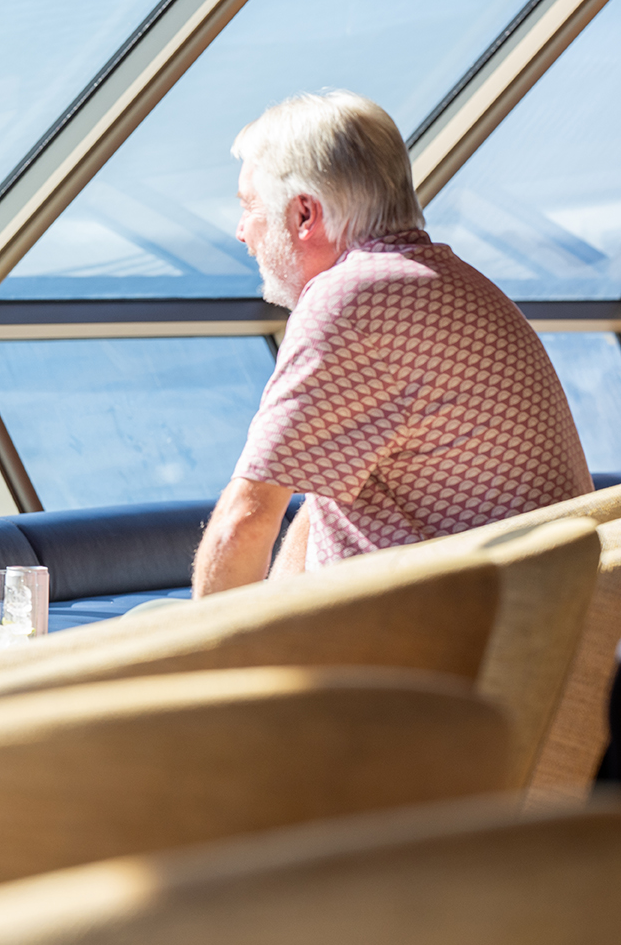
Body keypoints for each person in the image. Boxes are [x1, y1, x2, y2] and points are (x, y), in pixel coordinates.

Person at [192, 90, 592, 597]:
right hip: (521, 620)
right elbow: (324, 509)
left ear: (305, 215)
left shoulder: (351, 301)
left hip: (445, 634)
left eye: (250, 207)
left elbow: (243, 524)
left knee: (149, 628)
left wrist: (203, 644)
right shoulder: (451, 284)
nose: (241, 232)